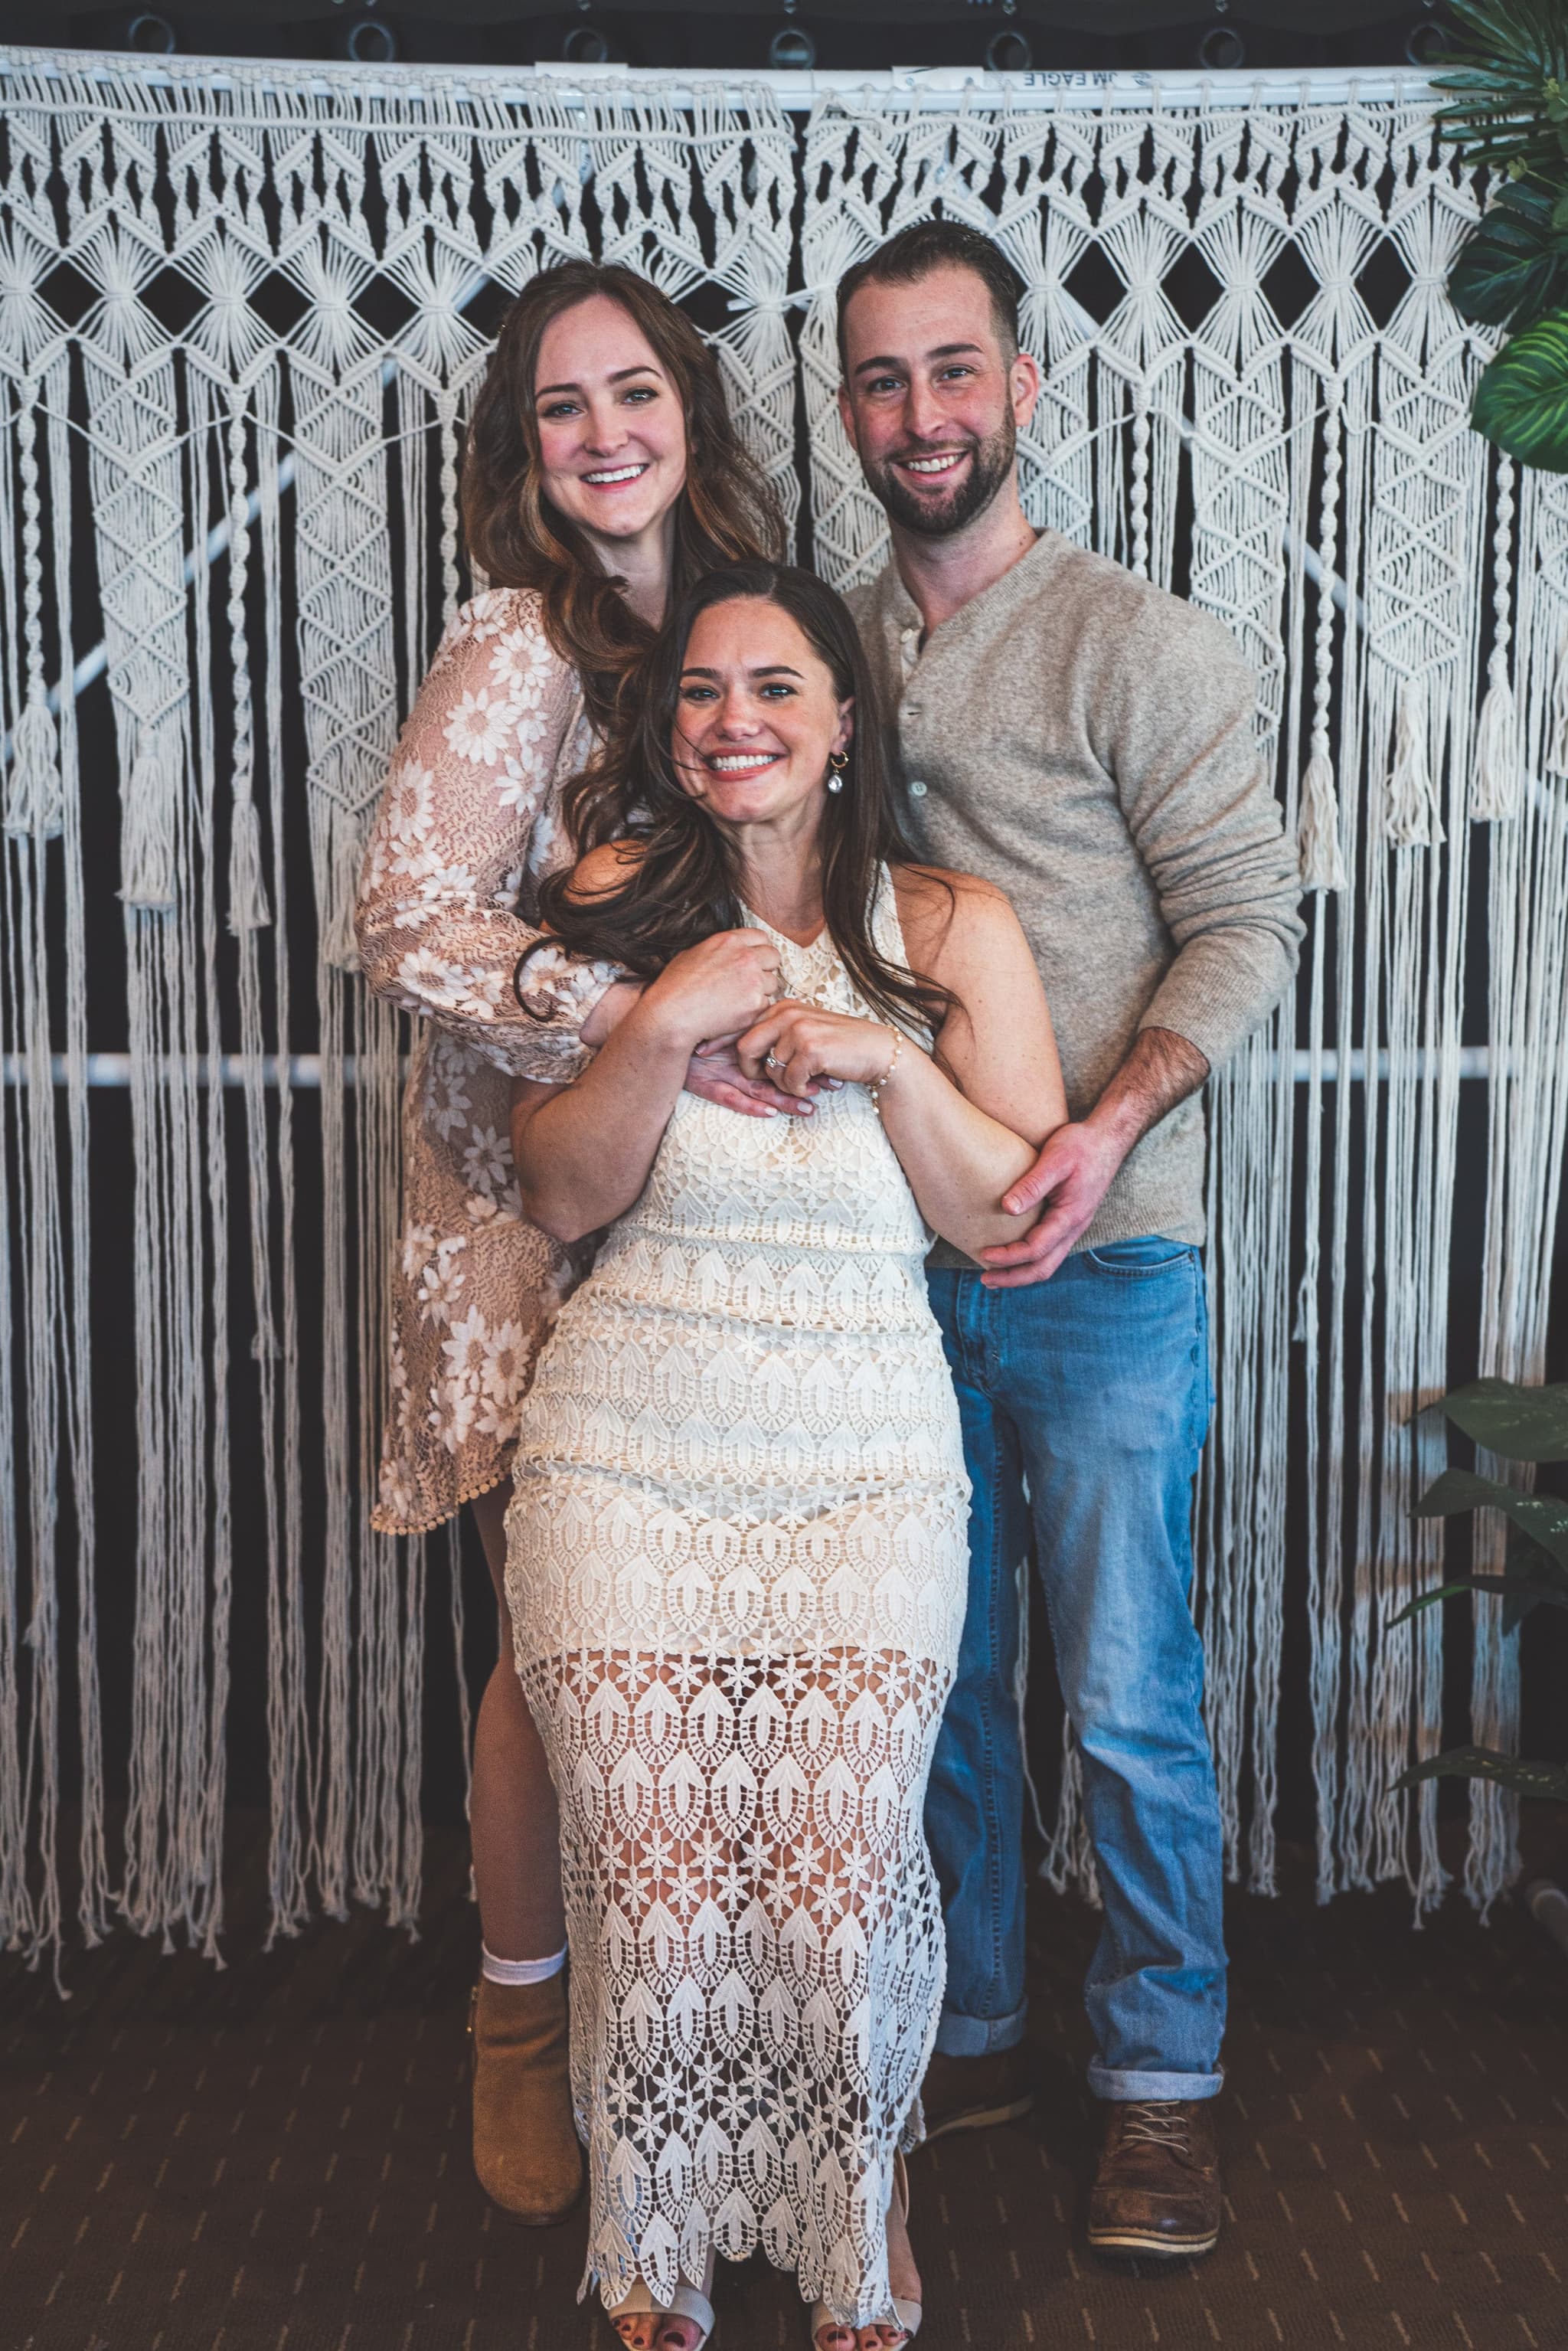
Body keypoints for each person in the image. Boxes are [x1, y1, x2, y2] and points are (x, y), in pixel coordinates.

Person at [502, 561, 1067, 2351]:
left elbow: (1010, 1217)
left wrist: (884, 1064)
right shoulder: (611, 900)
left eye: (772, 687)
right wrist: (664, 1021)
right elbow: (560, 1186)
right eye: (697, 691)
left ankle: (862, 2197)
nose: (729, 716)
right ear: (668, 734)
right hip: (627, 1443)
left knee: (831, 1875)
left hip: (860, 1456)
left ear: (841, 722)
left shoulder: (948, 924)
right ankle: (648, 2222)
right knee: (656, 1869)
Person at [834, 220, 1305, 2261]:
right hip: (894, 1245)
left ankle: (1164, 2082)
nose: (920, 413)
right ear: (848, 410)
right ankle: (981, 2026)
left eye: (955, 371)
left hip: (1108, 1249)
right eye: (880, 380)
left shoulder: (1144, 642)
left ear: (1026, 389)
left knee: (1123, 1686)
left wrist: (1109, 1130)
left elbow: (1246, 925)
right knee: (939, 1671)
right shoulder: (831, 642)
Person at [355, 260, 791, 2229]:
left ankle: (678, 2019)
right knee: (555, 1640)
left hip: (714, 1209)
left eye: (635, 391)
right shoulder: (518, 641)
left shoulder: (725, 626)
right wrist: (618, 1015)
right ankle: (517, 2025)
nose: (605, 431)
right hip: (533, 1210)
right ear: (522, 450)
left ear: (692, 410)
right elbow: (404, 911)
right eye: (560, 405)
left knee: (699, 1643)